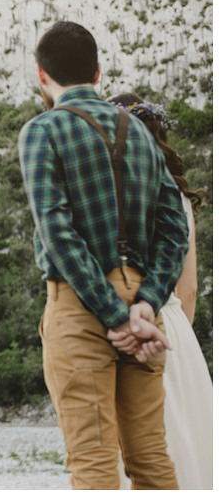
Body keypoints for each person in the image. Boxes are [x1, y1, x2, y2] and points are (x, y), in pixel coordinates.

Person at [18, 21, 189, 489]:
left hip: (81, 307)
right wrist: (145, 306)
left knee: (93, 464)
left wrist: (115, 318)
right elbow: (175, 233)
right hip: (143, 307)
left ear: (41, 75)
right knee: (151, 460)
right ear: (97, 72)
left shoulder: (42, 131)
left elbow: (57, 232)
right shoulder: (140, 132)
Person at [107, 93, 212, 490]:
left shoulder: (116, 196)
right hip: (171, 330)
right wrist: (176, 341)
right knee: (181, 435)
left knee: (130, 441)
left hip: (123, 322)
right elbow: (187, 291)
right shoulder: (180, 200)